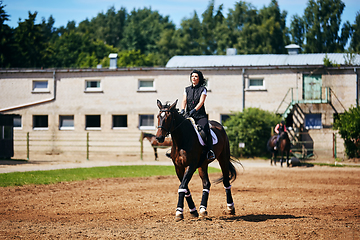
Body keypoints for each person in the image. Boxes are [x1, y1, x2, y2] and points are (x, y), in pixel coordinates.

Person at [180, 70, 215, 160]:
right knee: (179, 129)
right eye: (192, 76)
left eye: (196, 76)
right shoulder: (186, 89)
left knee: (205, 129)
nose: (194, 78)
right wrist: (183, 110)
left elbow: (201, 102)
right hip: (188, 115)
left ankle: (210, 151)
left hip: (200, 116)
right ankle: (175, 150)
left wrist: (194, 110)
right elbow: (184, 101)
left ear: (199, 78)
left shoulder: (203, 89)